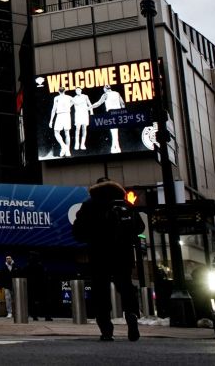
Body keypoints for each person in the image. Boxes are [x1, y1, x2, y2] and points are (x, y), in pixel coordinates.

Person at [72, 177, 145, 341]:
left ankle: (106, 329)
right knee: (125, 286)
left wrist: (91, 237)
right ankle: (132, 315)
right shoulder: (125, 204)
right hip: (123, 254)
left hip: (99, 255)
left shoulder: (90, 205)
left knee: (100, 291)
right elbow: (140, 227)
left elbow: (78, 231)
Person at [91, 84, 126, 153]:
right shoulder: (117, 93)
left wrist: (90, 107)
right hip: (118, 112)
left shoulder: (105, 94)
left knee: (114, 131)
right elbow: (123, 104)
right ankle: (113, 148)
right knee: (115, 131)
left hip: (111, 113)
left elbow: (98, 103)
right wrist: (123, 112)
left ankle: (118, 149)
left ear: (105, 89)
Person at [26, 251, 53, 321]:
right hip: (40, 286)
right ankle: (46, 316)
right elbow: (44, 276)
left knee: (34, 302)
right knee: (44, 301)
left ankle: (35, 316)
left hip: (33, 286)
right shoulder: (39, 266)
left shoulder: (29, 266)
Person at [48, 88, 74, 157]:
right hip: (66, 115)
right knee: (66, 133)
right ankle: (65, 148)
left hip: (61, 115)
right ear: (65, 91)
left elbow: (53, 110)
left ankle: (64, 147)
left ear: (58, 91)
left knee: (56, 132)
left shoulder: (56, 98)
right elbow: (74, 101)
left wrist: (51, 121)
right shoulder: (69, 97)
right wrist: (69, 106)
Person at [71, 87, 93, 151]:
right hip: (78, 114)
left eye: (79, 90)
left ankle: (83, 144)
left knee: (84, 128)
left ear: (81, 90)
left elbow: (89, 104)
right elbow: (70, 105)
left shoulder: (85, 96)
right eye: (76, 90)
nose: (78, 91)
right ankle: (77, 144)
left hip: (85, 114)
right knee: (77, 129)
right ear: (75, 91)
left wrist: (91, 112)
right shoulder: (74, 98)